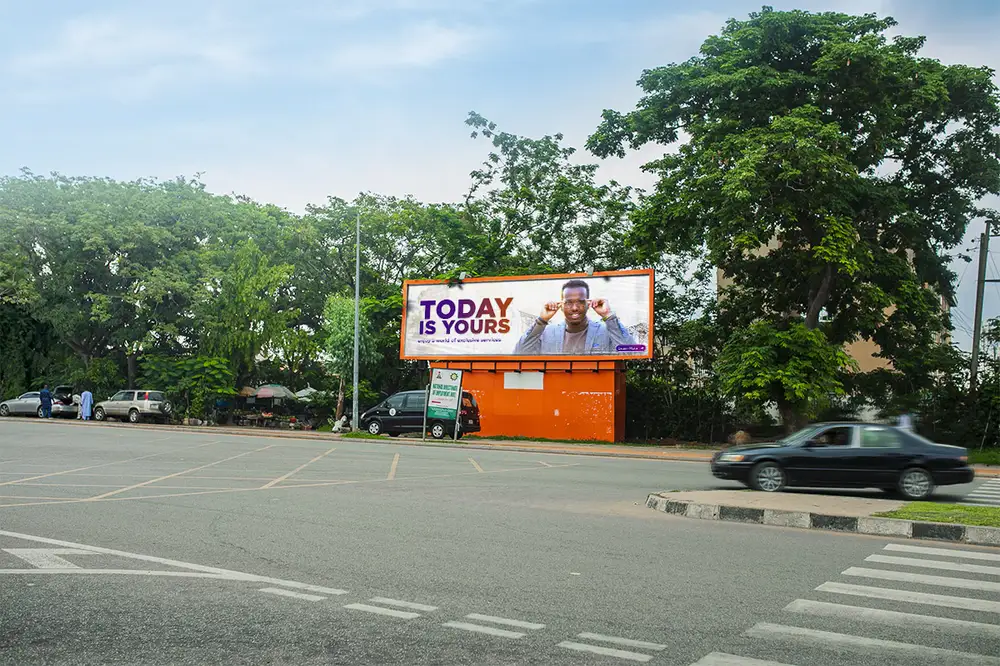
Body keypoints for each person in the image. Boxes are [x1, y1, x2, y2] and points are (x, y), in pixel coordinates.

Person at [514, 279, 639, 355]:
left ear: (588, 304)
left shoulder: (606, 331)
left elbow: (631, 352)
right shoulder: (547, 332)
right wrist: (541, 321)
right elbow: (519, 353)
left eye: (580, 302)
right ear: (561, 305)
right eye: (568, 302)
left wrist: (609, 316)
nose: (574, 308)